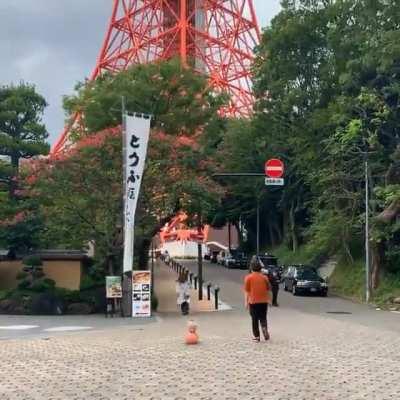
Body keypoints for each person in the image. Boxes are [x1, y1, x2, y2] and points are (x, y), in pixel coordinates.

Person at [244, 256, 271, 342]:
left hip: (253, 301)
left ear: (251, 268)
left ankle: (257, 336)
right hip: (263, 301)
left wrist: (246, 302)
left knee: (254, 319)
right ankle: (264, 327)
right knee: (263, 317)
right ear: (260, 269)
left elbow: (247, 291)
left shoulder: (248, 278)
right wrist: (269, 300)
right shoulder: (265, 278)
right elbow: (268, 290)